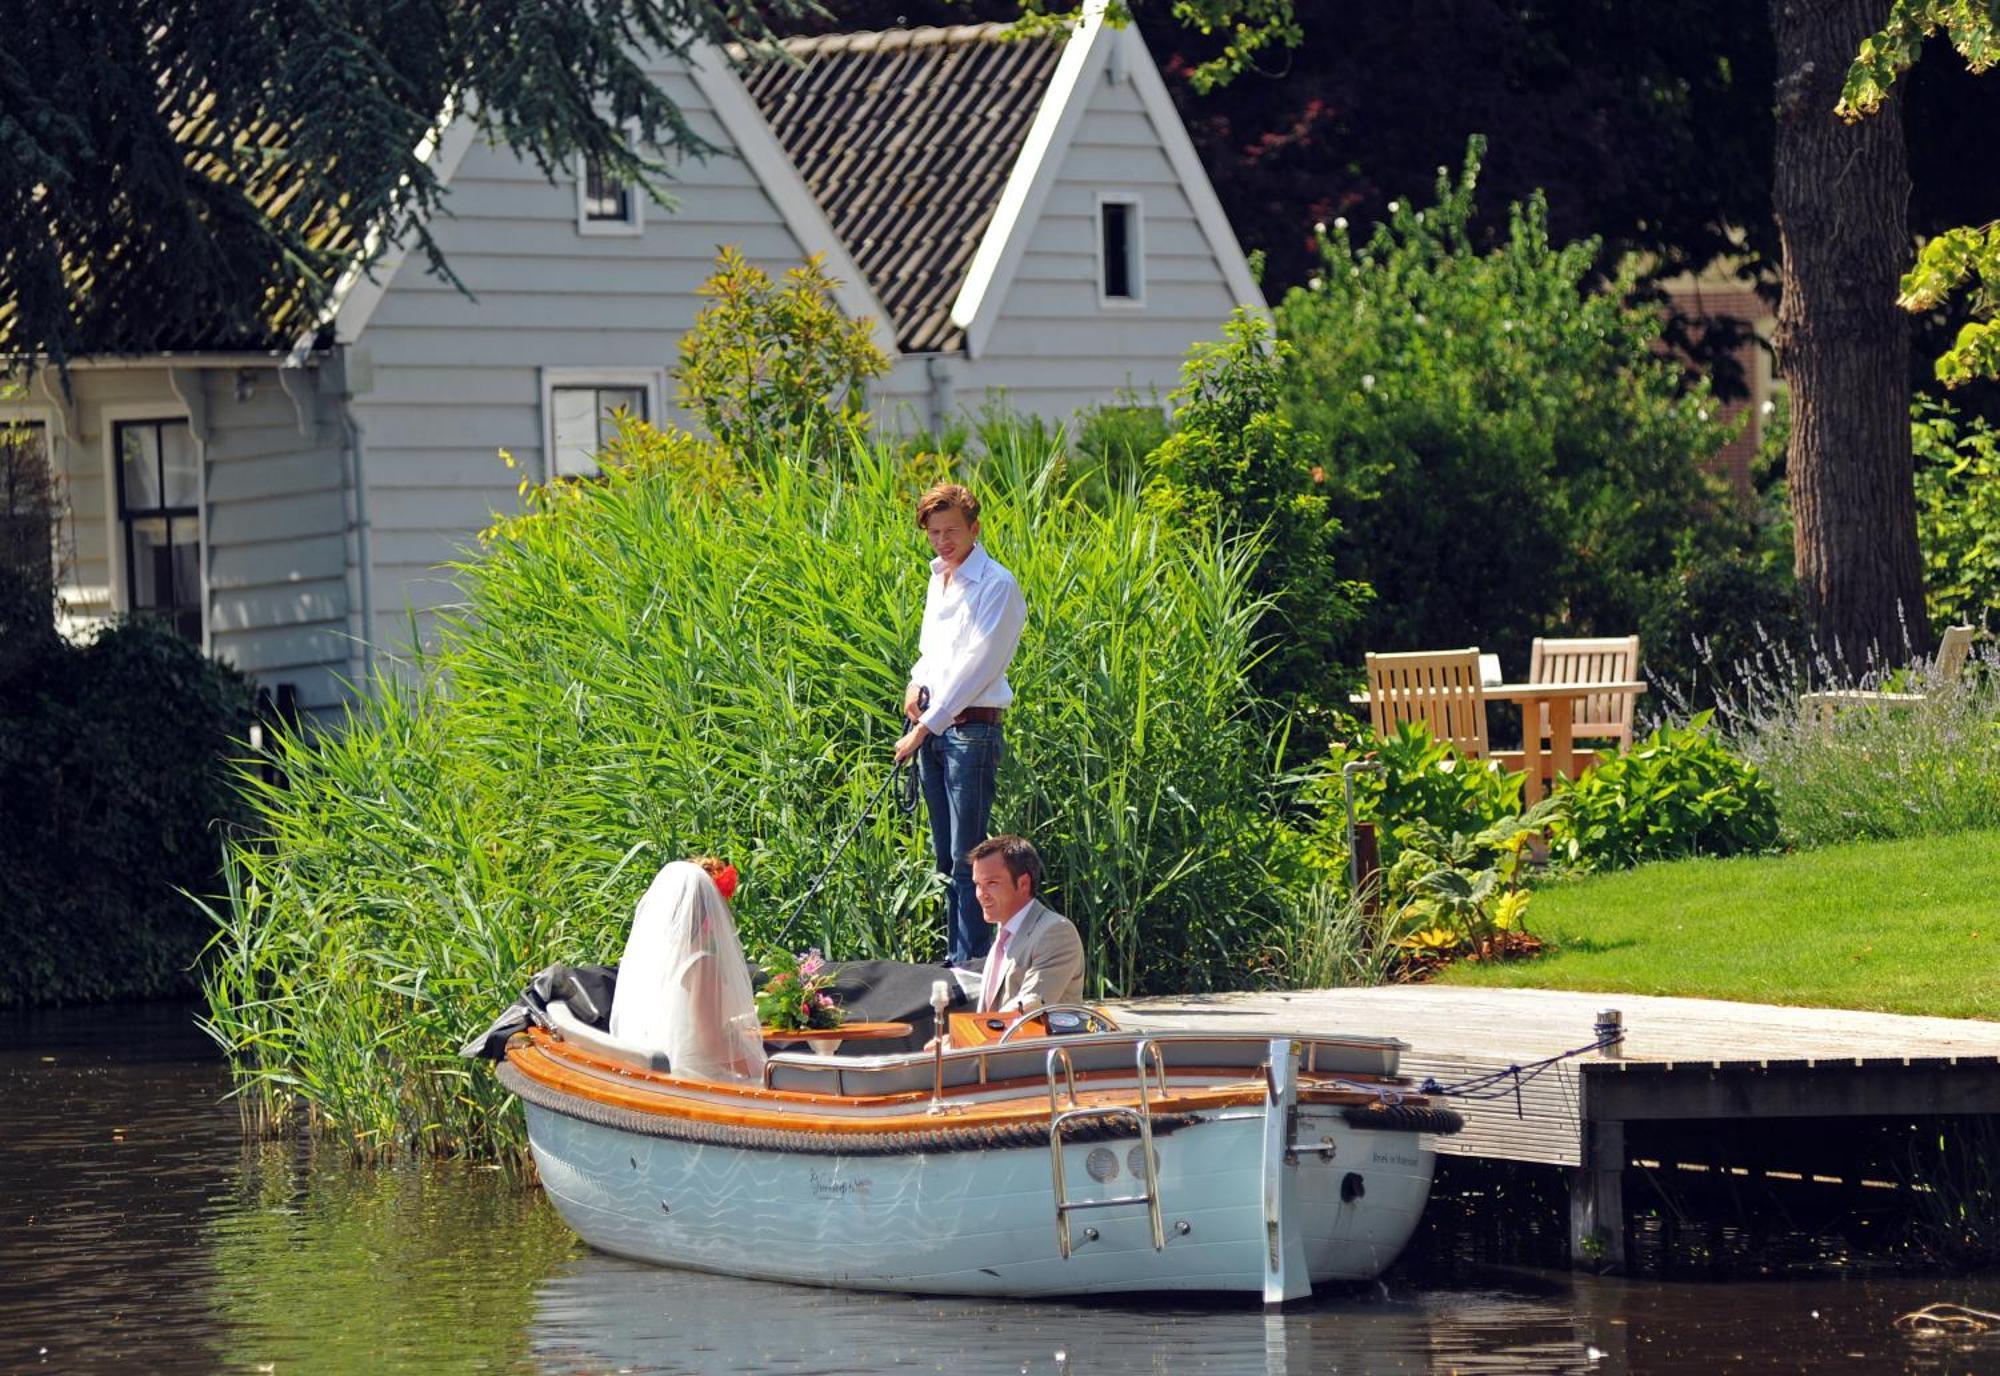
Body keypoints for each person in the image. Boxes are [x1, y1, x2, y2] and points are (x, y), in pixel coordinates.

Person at [894, 483, 1028, 966]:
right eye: (933, 532)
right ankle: (959, 959)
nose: (942, 540)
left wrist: (923, 728)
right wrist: (915, 682)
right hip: (936, 726)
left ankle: (974, 964)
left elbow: (978, 665)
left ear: (974, 528)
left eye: (951, 530)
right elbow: (935, 652)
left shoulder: (996, 584)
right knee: (946, 860)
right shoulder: (939, 578)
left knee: (970, 856)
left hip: (971, 731)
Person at [607, 859, 765, 1083]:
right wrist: (761, 1069)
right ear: (710, 912)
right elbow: (711, 1044)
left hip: (669, 1074)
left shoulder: (659, 960)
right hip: (700, 1082)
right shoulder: (703, 964)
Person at [962, 834, 1084, 1012]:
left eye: (992, 883)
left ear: (1023, 883)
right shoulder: (1004, 933)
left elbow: (1025, 1012)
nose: (981, 894)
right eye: (978, 884)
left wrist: (967, 1037)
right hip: (998, 1038)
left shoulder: (1056, 932)